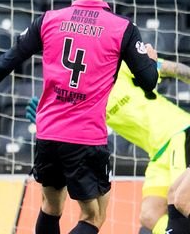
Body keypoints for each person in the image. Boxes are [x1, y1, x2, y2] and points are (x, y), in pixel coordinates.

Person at [0, 0, 159, 234]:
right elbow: (149, 82)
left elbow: (10, 59)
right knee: (93, 216)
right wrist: (150, 60)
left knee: (50, 206)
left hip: (48, 133)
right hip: (86, 137)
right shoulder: (122, 29)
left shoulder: (48, 20)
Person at [26, 58, 190, 234]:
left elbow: (173, 68)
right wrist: (52, 122)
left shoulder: (123, 64)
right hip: (157, 152)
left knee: (182, 201)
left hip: (178, 132)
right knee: (149, 215)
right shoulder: (83, 98)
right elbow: (74, 130)